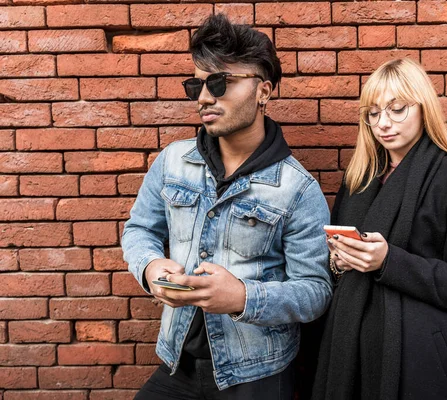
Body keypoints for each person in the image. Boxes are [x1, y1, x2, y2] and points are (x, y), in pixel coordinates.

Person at [122, 14, 332, 400]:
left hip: (257, 375)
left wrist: (242, 297)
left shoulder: (298, 190)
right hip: (177, 363)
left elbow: (316, 291)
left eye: (220, 82)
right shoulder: (172, 162)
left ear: (263, 91)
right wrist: (150, 266)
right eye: (196, 85)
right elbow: (139, 231)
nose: (204, 97)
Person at [312, 58, 447, 400]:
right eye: (374, 112)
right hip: (346, 354)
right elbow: (332, 272)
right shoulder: (358, 181)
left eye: (397, 109)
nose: (384, 123)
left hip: (416, 365)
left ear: (424, 108)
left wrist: (388, 262)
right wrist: (339, 262)